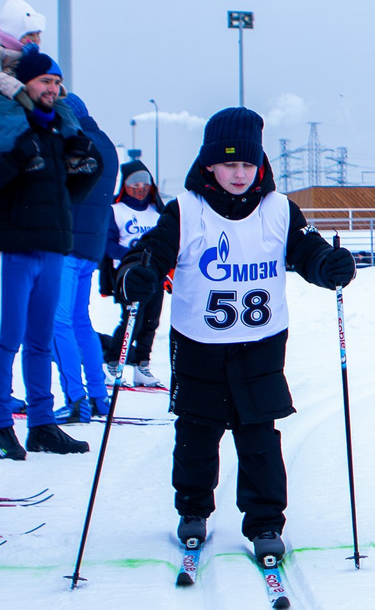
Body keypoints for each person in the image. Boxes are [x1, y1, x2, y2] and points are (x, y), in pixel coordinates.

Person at [115, 109, 359, 565]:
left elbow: (308, 251)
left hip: (261, 342)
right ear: (209, 164)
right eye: (229, 165)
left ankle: (265, 521)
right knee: (196, 433)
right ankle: (192, 511)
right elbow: (150, 252)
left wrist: (329, 267)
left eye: (247, 165)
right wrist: (137, 273)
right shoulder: (185, 209)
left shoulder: (279, 209)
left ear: (260, 165)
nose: (239, 174)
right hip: (198, 342)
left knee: (259, 436)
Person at [0, 46, 101, 459]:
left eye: (57, 83)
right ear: (24, 83)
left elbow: (63, 195)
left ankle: (42, 424)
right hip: (9, 246)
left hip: (51, 247)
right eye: (45, 81)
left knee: (41, 341)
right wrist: (16, 158)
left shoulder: (57, 131)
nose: (53, 89)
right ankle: (0, 424)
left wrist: (85, 174)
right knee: (6, 336)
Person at [48, 86, 117, 422]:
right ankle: (99, 395)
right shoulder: (107, 144)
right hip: (92, 245)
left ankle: (76, 399)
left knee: (56, 322)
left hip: (66, 242)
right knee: (80, 321)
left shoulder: (72, 141)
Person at [0, 0, 80, 154]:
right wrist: (17, 90)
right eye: (30, 35)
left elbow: (38, 74)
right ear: (13, 33)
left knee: (62, 107)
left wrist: (54, 89)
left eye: (38, 35)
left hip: (20, 91)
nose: (36, 40)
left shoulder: (26, 52)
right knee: (8, 112)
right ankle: (16, 151)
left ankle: (76, 143)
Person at [107, 158, 165, 386]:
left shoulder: (157, 212)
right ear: (125, 186)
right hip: (128, 276)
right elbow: (108, 245)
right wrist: (133, 254)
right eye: (135, 186)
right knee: (133, 319)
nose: (140, 191)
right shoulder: (116, 210)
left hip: (154, 274)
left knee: (151, 320)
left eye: (144, 186)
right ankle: (114, 362)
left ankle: (142, 365)